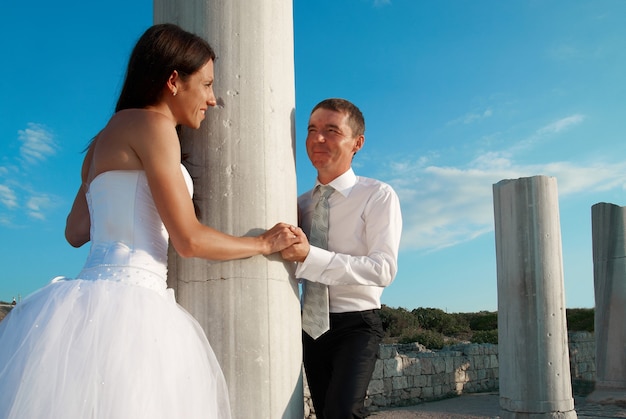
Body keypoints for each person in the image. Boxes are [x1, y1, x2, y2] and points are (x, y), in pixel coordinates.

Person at [0, 23, 300, 419]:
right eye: (207, 84)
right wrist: (263, 243)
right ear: (174, 80)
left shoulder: (102, 140)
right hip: (134, 302)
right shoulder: (156, 126)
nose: (213, 99)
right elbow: (189, 240)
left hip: (83, 298)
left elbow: (75, 232)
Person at [282, 98, 402, 418]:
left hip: (356, 324)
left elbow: (383, 269)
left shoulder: (377, 195)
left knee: (342, 414)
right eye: (312, 129)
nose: (318, 138)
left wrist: (311, 255)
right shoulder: (297, 204)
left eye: (332, 130)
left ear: (357, 143)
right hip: (309, 327)